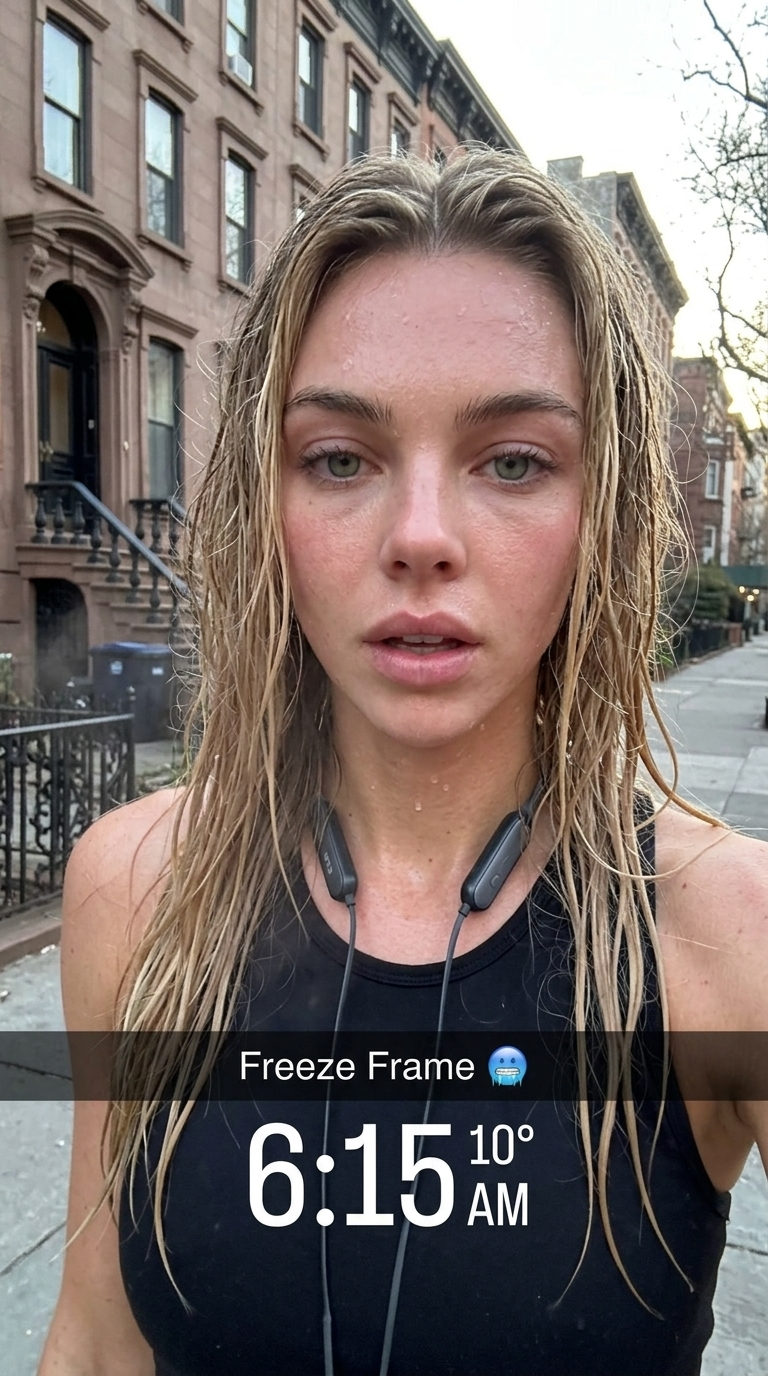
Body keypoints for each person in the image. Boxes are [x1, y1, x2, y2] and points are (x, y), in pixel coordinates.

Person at [39, 150, 768, 1376]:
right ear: (263, 503)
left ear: (607, 511)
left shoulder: (726, 935)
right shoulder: (136, 889)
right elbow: (99, 1340)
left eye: (514, 459)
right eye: (339, 457)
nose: (420, 536)